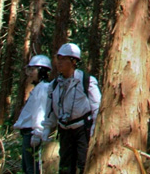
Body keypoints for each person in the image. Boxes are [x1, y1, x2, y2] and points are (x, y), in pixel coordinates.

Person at [35, 43, 101, 174]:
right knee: (65, 167)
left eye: (64, 59)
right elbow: (51, 111)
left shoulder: (86, 81)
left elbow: (96, 106)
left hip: (83, 130)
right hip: (64, 131)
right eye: (58, 58)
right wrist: (46, 129)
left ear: (74, 61)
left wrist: (94, 129)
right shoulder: (54, 85)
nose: (59, 62)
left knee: (83, 164)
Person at [14, 55, 52, 174]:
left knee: (32, 169)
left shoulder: (43, 88)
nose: (30, 73)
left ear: (42, 70)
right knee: (27, 168)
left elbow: (41, 112)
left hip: (32, 133)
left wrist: (37, 133)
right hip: (28, 133)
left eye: (33, 70)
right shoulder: (38, 88)